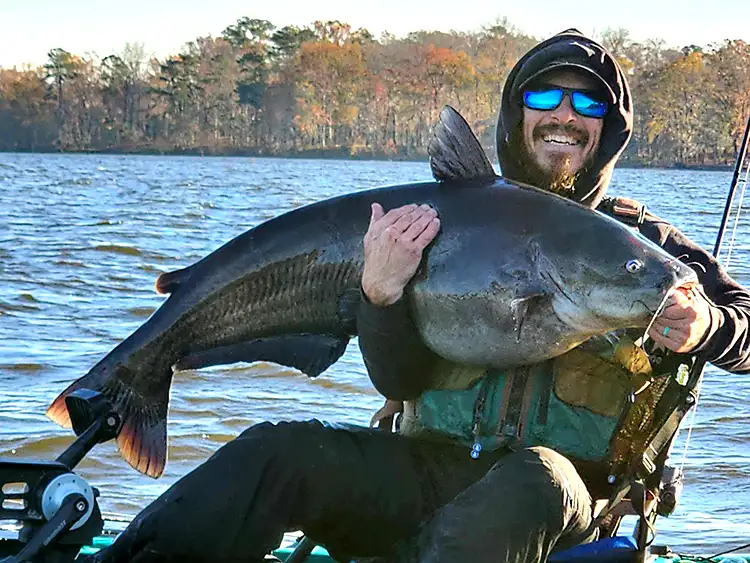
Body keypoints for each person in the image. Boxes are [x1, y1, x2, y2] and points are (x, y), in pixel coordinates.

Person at [92, 30, 750, 563]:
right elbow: (398, 376)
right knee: (278, 452)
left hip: (567, 507)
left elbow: (744, 329)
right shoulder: (422, 223)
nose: (564, 116)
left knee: (536, 476)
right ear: (516, 111)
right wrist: (379, 295)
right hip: (426, 475)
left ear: (609, 129)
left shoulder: (648, 249)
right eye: (546, 95)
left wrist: (707, 327)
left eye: (588, 105)